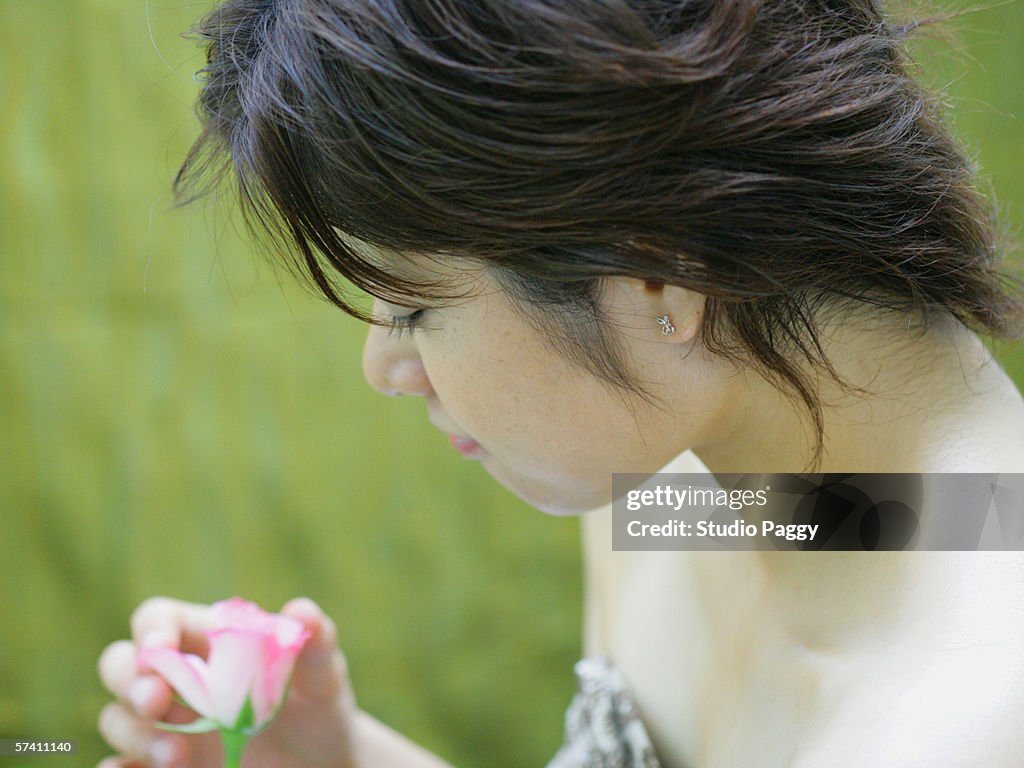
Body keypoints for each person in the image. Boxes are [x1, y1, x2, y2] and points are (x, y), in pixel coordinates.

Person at [97, 0, 1024, 766]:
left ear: (658, 283)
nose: (381, 367)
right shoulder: (684, 482)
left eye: (412, 305)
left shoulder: (963, 721)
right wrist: (334, 755)